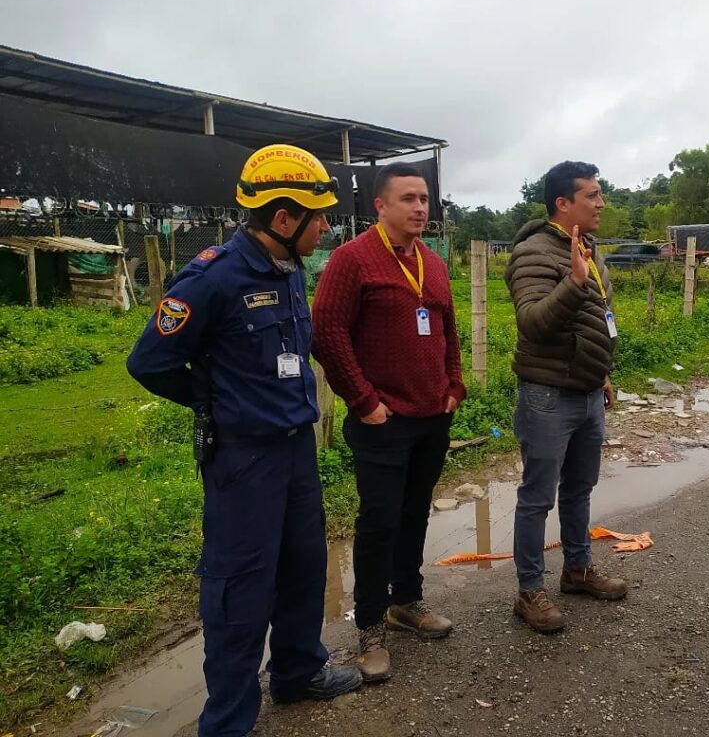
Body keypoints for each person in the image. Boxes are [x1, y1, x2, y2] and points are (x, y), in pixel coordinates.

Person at [126, 144, 361, 737]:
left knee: (304, 564)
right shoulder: (213, 278)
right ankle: (228, 721)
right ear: (282, 218)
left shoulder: (289, 267)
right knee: (240, 583)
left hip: (296, 450)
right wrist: (215, 402)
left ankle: (297, 672)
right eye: (319, 217)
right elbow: (149, 361)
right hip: (244, 458)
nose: (327, 228)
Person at [311, 162, 466, 683]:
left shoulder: (432, 263)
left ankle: (407, 601)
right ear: (380, 206)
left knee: (415, 512)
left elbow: (447, 329)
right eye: (408, 199)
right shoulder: (352, 259)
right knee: (379, 523)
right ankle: (371, 625)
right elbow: (327, 333)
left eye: (424, 198)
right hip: (382, 421)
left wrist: (454, 386)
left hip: (431, 415)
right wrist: (363, 401)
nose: (420, 208)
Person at [503, 161, 626, 635]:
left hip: (588, 390)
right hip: (548, 395)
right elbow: (533, 322)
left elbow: (597, 317)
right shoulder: (533, 252)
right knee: (537, 497)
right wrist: (573, 284)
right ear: (563, 202)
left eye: (599, 194)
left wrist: (603, 373)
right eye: (592, 195)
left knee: (579, 488)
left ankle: (577, 569)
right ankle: (529, 590)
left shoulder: (589, 247)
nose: (601, 203)